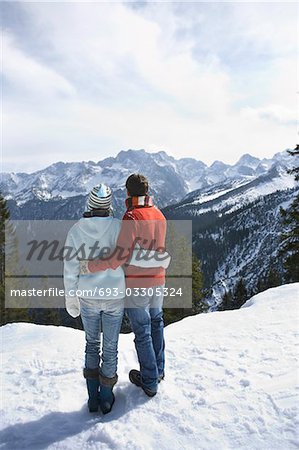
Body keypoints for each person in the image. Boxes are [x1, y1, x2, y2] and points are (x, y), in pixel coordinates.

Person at [64, 183, 168, 414]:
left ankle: (93, 398)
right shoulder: (120, 225)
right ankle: (107, 398)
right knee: (110, 348)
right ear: (109, 204)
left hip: (88, 296)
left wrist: (71, 296)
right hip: (116, 295)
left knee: (92, 345)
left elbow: (70, 267)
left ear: (90, 203)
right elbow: (126, 256)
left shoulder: (76, 230)